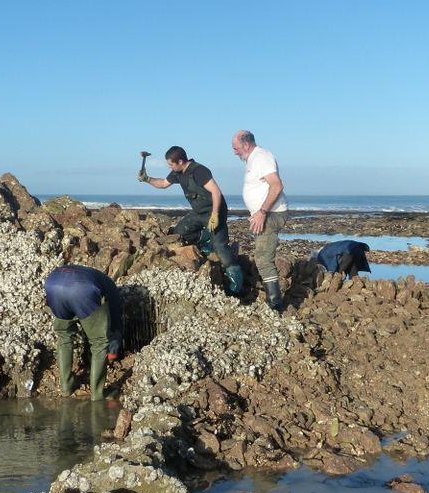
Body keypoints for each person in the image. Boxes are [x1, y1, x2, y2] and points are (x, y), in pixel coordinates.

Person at [137, 145, 244, 295]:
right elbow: (162, 184)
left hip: (214, 211)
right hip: (198, 212)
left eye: (171, 163)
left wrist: (215, 215)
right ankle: (209, 242)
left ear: (180, 161)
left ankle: (237, 286)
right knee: (180, 231)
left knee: (221, 248)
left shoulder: (199, 171)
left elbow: (216, 192)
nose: (169, 166)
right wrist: (147, 179)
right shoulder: (177, 173)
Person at [44, 264, 123, 401]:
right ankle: (98, 395)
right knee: (99, 342)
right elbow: (115, 318)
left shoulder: (96, 275)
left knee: (64, 336)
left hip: (54, 281)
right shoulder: (111, 287)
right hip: (82, 288)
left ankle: (66, 387)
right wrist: (113, 350)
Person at [231, 130, 288, 312]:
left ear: (246, 145)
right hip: (265, 215)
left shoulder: (262, 157)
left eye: (236, 148)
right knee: (262, 258)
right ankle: (272, 302)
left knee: (263, 260)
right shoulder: (253, 159)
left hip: (271, 215)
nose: (235, 152)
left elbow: (277, 185)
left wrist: (262, 212)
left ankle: (275, 307)